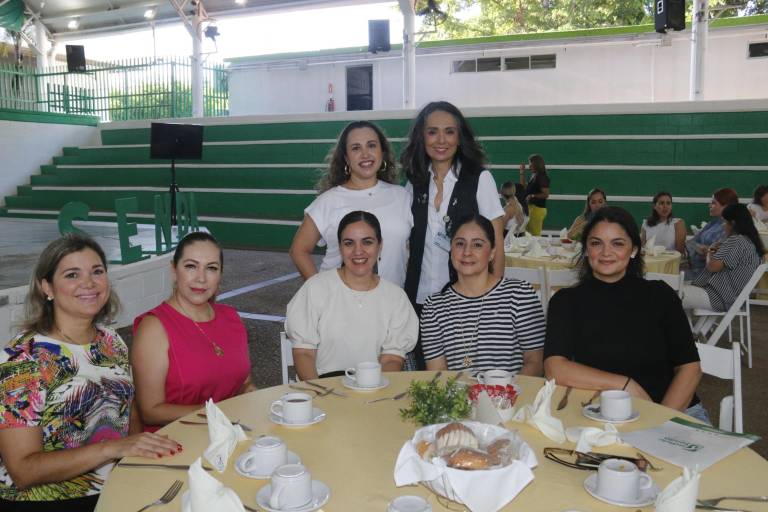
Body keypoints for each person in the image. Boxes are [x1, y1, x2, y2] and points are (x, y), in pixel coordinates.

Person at [0, 234, 179, 511]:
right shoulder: (23, 358)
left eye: (97, 271)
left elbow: (128, 413)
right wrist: (112, 449)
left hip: (115, 488)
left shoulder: (111, 341)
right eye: (72, 274)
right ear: (46, 287)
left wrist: (139, 457)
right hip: (48, 500)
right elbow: (23, 470)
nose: (89, 283)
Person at [544, 207, 706, 420]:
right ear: (585, 250)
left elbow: (690, 368)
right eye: (596, 243)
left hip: (673, 412)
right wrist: (624, 384)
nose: (606, 252)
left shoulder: (660, 295)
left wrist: (660, 422)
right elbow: (555, 368)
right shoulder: (566, 301)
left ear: (634, 250)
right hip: (602, 413)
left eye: (617, 243)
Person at [401, 101, 505, 369]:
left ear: (460, 137)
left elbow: (497, 245)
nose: (441, 140)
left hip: (467, 300)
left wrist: (491, 301)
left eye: (449, 131)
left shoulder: (480, 179)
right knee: (426, 376)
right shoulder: (414, 182)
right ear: (421, 137)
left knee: (466, 373)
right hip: (419, 299)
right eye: (432, 132)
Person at [132, 232, 252, 432]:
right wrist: (218, 412)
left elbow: (245, 382)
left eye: (211, 268)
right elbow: (151, 410)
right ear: (174, 270)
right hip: (174, 443)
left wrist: (254, 396)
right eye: (191, 266)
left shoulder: (232, 318)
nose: (201, 278)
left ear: (220, 274)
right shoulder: (154, 327)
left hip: (231, 434)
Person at [286, 211, 418, 380]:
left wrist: (374, 392)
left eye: (367, 242)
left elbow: (392, 358)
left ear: (380, 245)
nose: (358, 251)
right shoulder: (316, 288)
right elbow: (304, 353)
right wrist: (318, 393)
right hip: (321, 388)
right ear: (340, 247)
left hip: (373, 392)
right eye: (349, 243)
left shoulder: (395, 297)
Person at [289, 121, 412, 287]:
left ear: (382, 152)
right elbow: (298, 250)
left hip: (390, 304)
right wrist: (320, 292)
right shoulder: (329, 200)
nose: (365, 154)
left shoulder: (402, 196)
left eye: (371, 145)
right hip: (340, 305)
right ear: (346, 158)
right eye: (356, 148)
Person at [421, 214, 545, 375]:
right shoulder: (434, 307)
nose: (467, 252)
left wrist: (504, 394)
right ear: (451, 250)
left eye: (477, 245)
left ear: (492, 252)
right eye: (460, 244)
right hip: (457, 398)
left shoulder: (519, 295)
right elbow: (437, 373)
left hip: (511, 396)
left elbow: (535, 362)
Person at [682, 203, 764, 312]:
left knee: (670, 294)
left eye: (724, 222)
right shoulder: (750, 242)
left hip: (716, 297)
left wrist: (710, 251)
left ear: (733, 223)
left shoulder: (736, 241)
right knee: (671, 294)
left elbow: (712, 266)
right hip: (729, 299)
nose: (723, 225)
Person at [686, 188, 739, 278]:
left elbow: (721, 255)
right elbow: (690, 243)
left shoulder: (732, 229)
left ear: (726, 206)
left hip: (709, 276)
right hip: (695, 268)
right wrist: (701, 249)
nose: (709, 205)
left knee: (667, 278)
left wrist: (707, 251)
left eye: (714, 203)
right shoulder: (713, 223)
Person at [519, 154, 550, 235]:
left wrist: (533, 195)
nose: (529, 166)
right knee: (528, 235)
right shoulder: (534, 175)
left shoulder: (542, 176)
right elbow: (523, 187)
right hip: (530, 208)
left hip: (537, 209)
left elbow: (546, 194)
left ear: (536, 164)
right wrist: (522, 172)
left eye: (530, 164)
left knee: (535, 236)